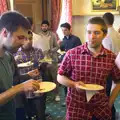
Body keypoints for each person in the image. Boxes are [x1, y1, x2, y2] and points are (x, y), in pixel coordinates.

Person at [57, 17, 120, 120]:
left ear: (104, 35)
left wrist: (110, 102)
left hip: (100, 110)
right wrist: (74, 84)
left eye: (96, 33)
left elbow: (118, 81)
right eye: (89, 32)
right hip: (76, 109)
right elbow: (60, 76)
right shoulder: (72, 54)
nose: (92, 37)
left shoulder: (111, 57)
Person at [0, 11, 40, 120]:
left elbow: (8, 87)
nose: (23, 42)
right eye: (20, 37)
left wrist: (24, 82)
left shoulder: (8, 57)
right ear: (5, 33)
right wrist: (20, 87)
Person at [14, 30, 46, 120]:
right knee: (26, 113)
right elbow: (13, 74)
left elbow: (43, 68)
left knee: (40, 113)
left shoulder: (38, 51)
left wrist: (43, 66)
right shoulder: (15, 53)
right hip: (22, 88)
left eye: (30, 39)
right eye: (25, 39)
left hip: (37, 86)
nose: (29, 41)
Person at [33, 20, 60, 101]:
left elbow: (57, 46)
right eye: (43, 26)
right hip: (43, 61)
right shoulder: (38, 35)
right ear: (41, 27)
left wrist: (51, 50)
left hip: (52, 59)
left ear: (48, 27)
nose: (44, 27)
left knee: (54, 78)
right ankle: (46, 95)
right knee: (46, 78)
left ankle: (57, 94)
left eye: (46, 26)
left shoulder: (53, 35)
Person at [102, 12, 120, 119]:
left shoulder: (106, 35)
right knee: (112, 92)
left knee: (108, 94)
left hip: (110, 65)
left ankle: (111, 115)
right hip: (117, 62)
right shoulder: (117, 33)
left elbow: (105, 53)